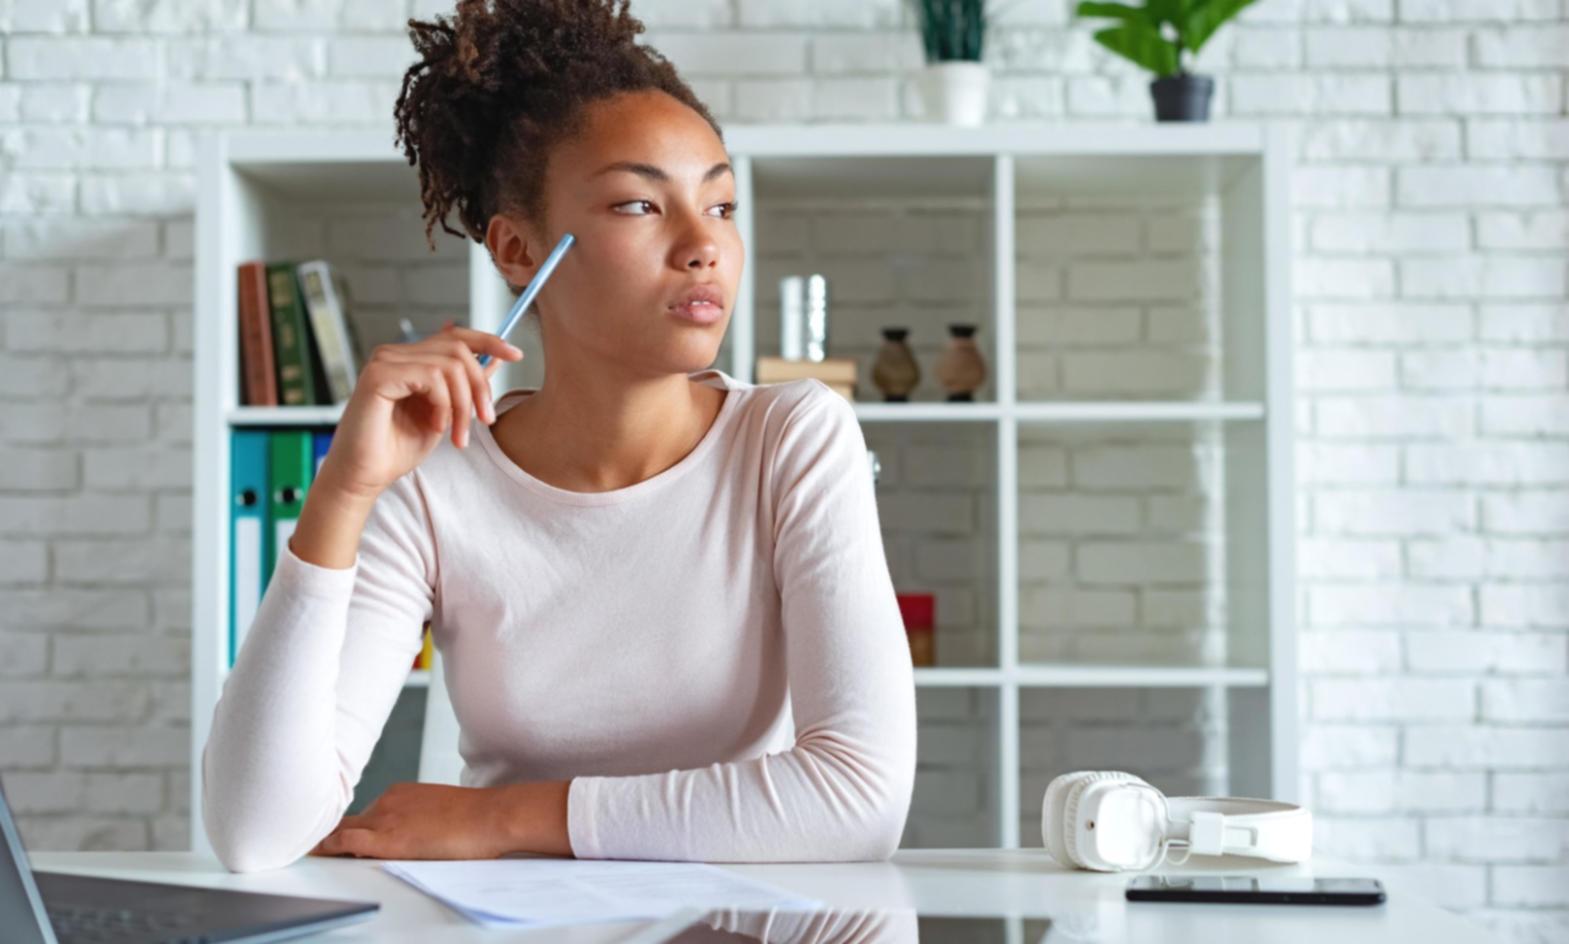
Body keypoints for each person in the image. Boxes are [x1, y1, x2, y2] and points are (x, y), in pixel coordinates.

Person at [201, 0, 917, 873]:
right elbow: (253, 832)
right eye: (637, 204)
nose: (704, 247)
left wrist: (503, 819)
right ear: (514, 248)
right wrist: (343, 494)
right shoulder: (434, 478)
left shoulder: (790, 439)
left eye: (721, 204)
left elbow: (856, 804)